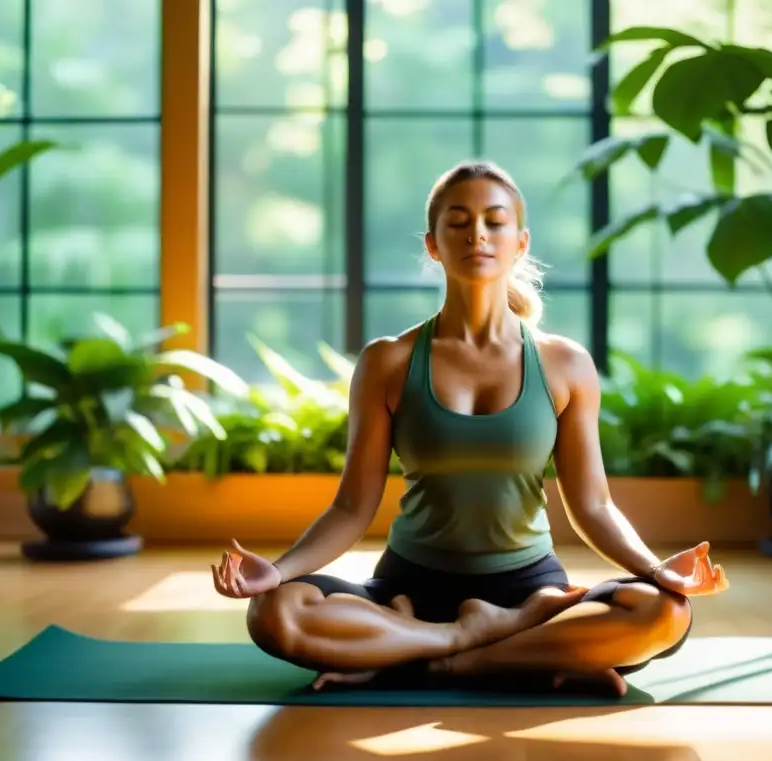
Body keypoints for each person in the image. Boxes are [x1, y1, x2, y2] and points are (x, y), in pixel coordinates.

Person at [211, 160, 729, 697]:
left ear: (520, 242)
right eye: (457, 222)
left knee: (664, 612)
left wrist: (656, 568)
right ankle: (502, 644)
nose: (476, 234)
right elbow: (351, 508)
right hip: (409, 587)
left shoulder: (564, 364)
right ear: (433, 244)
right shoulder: (388, 362)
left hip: (529, 588)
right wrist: (276, 571)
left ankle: (416, 653)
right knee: (275, 613)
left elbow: (593, 506)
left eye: (494, 221)